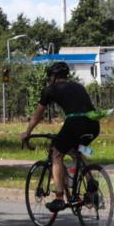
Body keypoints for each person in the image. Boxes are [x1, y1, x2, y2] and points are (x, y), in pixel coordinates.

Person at [20, 61, 101, 212]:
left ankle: (59, 197)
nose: (49, 80)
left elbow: (37, 115)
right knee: (77, 149)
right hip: (94, 124)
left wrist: (27, 132)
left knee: (56, 154)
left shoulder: (50, 89)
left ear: (54, 77)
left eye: (50, 77)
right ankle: (90, 181)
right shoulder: (78, 86)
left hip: (75, 122)